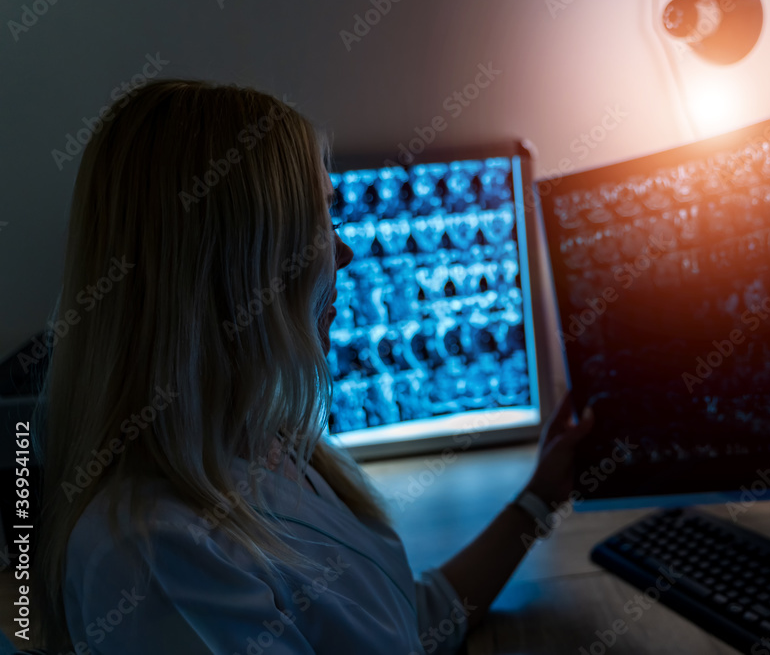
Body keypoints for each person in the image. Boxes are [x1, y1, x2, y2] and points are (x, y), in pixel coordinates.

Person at [36, 80, 593, 654]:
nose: (344, 252)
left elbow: (405, 626)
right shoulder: (152, 556)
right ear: (242, 262)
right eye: (321, 218)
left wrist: (540, 497)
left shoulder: (272, 444)